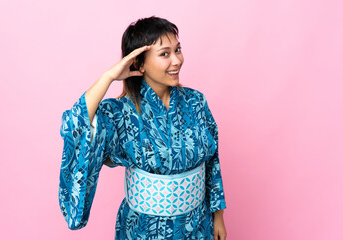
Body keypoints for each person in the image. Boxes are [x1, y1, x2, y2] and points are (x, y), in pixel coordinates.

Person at [59, 16, 227, 240]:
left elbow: (212, 161)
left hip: (198, 225)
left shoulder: (196, 102)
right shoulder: (120, 112)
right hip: (143, 230)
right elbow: (75, 125)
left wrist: (218, 217)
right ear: (139, 63)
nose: (176, 60)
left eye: (178, 50)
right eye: (165, 54)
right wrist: (109, 77)